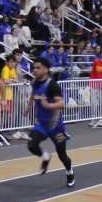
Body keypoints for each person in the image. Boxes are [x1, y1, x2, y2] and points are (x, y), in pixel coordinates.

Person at [26, 56, 75, 187]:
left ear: (46, 70)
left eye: (38, 68)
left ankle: (69, 172)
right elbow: (33, 94)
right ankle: (45, 157)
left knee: (62, 155)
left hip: (55, 126)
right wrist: (28, 107)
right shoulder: (34, 82)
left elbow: (62, 104)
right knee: (31, 145)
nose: (35, 70)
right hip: (41, 124)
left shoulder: (52, 85)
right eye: (34, 68)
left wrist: (49, 105)